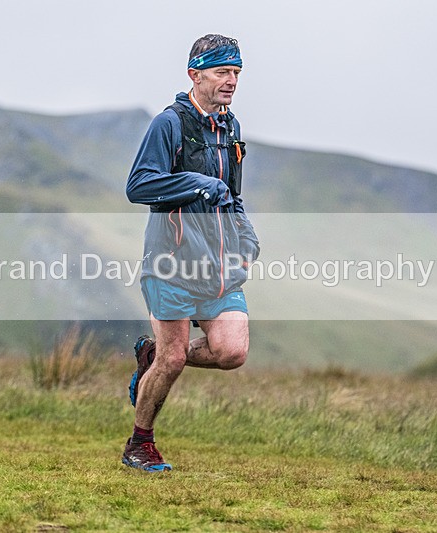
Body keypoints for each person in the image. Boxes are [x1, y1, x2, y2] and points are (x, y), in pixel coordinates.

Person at [122, 34, 260, 472]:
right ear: (195, 74)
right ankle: (139, 444)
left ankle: (152, 357)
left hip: (217, 266)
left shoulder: (230, 127)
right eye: (222, 72)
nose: (231, 81)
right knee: (175, 358)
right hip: (171, 263)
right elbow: (139, 185)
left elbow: (231, 196)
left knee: (231, 352)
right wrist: (197, 184)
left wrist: (247, 237)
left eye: (236, 73)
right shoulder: (169, 124)